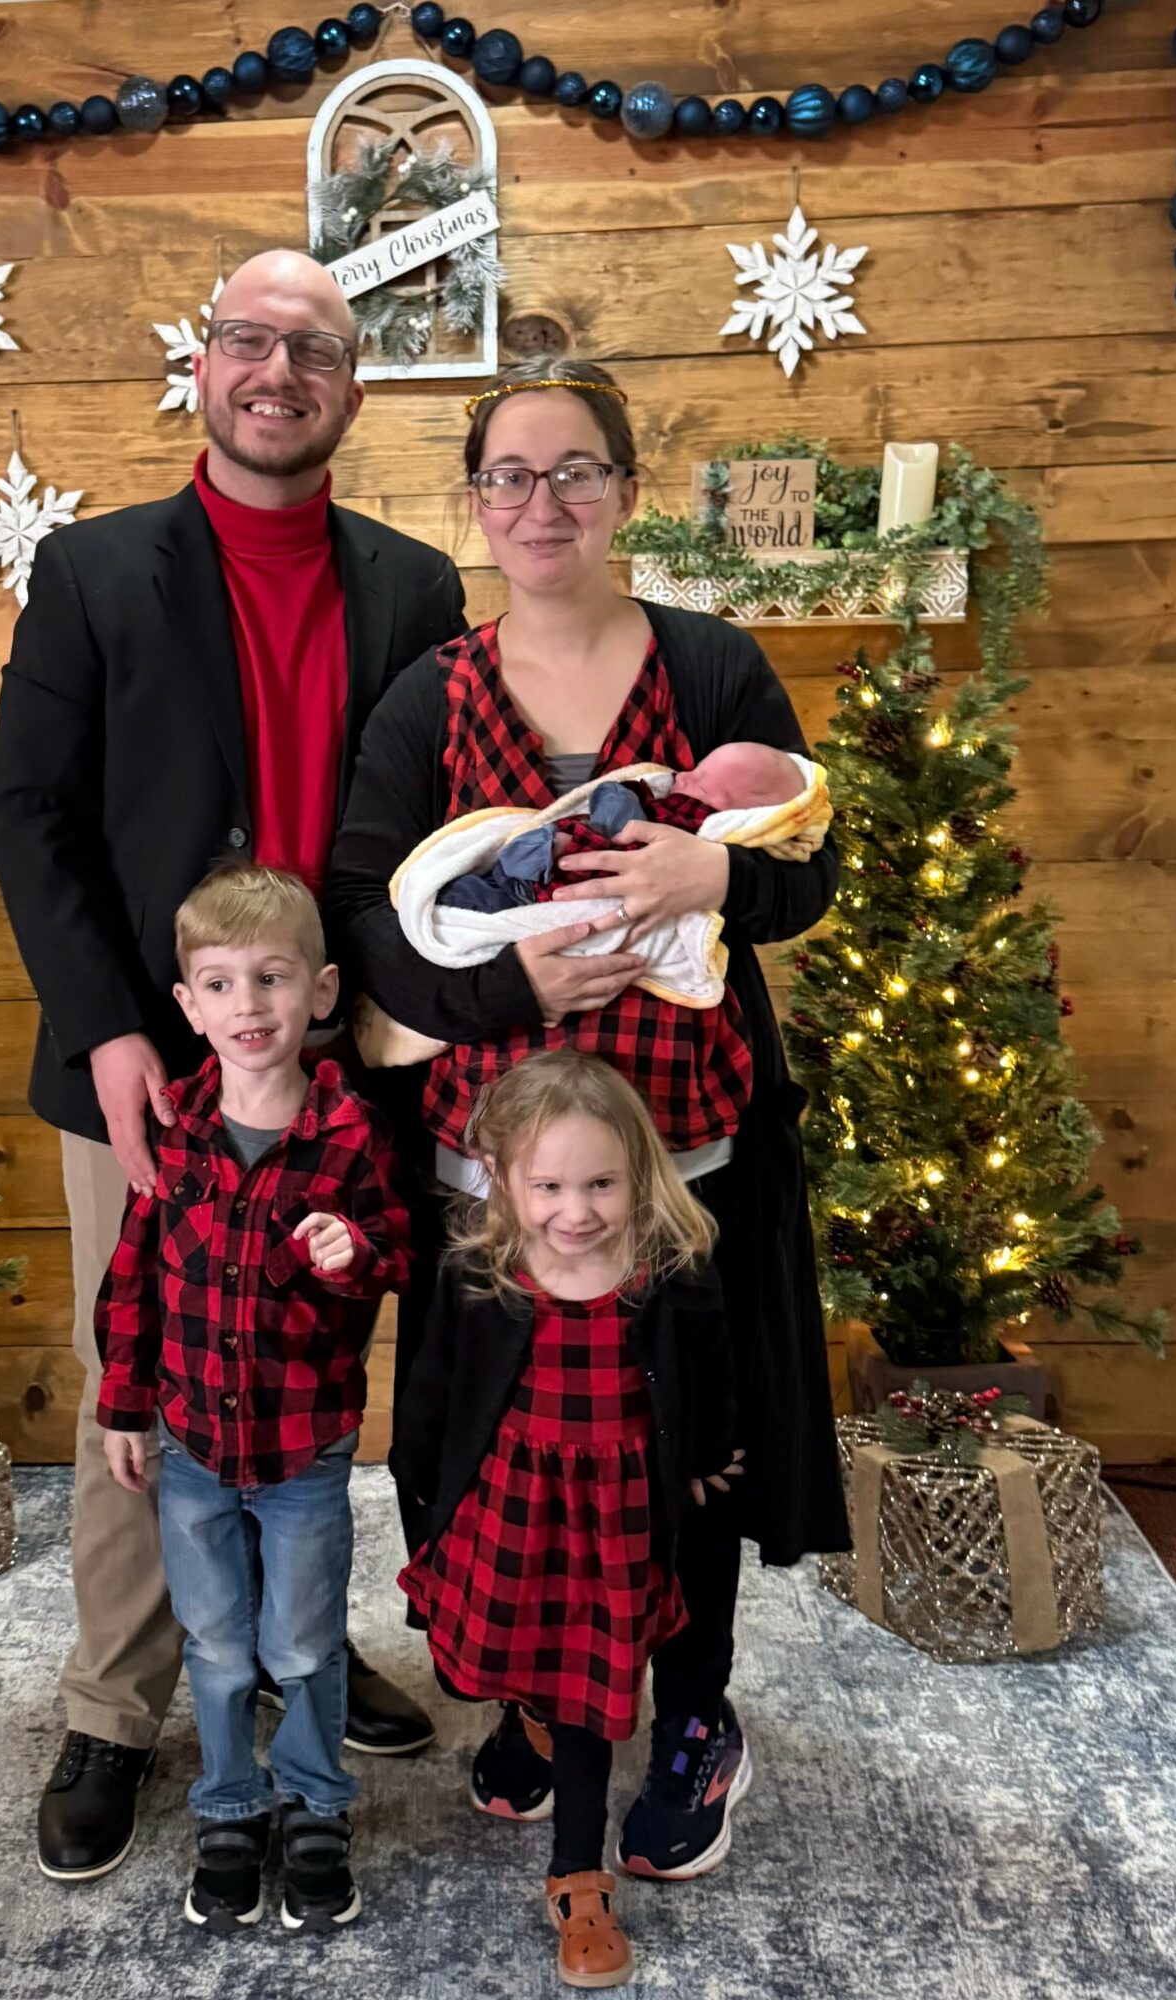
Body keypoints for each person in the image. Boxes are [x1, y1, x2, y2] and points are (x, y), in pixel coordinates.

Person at [326, 355, 850, 1879]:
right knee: (489, 1444)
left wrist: (718, 881)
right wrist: (510, 998)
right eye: (508, 476)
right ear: (473, 504)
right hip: (485, 1163)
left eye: (572, 472)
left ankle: (688, 1711)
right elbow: (366, 909)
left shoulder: (707, 666)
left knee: (677, 1447)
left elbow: (806, 863)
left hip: (681, 1161)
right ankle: (536, 1703)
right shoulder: (426, 693)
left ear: (624, 490)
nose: (539, 502)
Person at [0, 247, 460, 1884]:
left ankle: (295, 1660)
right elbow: (28, 813)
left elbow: (439, 837)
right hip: (148, 1068)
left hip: (341, 1079)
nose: (280, 372)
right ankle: (116, 1708)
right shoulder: (96, 571)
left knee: (314, 1379)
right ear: (202, 365)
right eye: (251, 342)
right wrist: (113, 1027)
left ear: (351, 386)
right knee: (151, 1383)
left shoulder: (413, 587)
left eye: (315, 349)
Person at [97, 864, 409, 1932]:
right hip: (189, 1447)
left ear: (320, 992)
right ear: (188, 1006)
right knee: (218, 1640)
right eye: (222, 985)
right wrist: (123, 1405)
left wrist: (351, 1249)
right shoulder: (174, 1130)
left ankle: (316, 1803)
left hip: (305, 1453)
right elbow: (132, 1280)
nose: (249, 1007)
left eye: (272, 979)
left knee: (304, 1644)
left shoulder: (351, 1134)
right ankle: (231, 1804)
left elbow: (395, 1253)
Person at [393, 1049, 740, 1989]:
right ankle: (530, 1719)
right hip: (506, 1514)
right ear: (502, 1179)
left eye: (599, 1183)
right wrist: (423, 1502)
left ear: (639, 1175)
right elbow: (431, 1397)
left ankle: (576, 1878)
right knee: (511, 1653)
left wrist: (708, 1457)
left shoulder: (669, 1277)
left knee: (588, 1688)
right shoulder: (482, 1276)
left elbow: (709, 1382)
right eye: (547, 1184)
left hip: (616, 1526)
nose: (574, 1210)